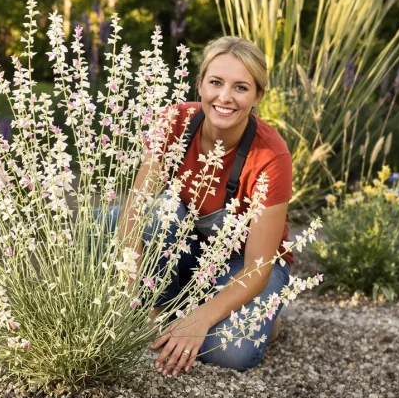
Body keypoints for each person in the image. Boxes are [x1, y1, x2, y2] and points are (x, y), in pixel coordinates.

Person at [112, 36, 294, 377]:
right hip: (183, 246)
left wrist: (202, 319)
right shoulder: (174, 122)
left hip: (242, 263)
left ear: (258, 96)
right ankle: (162, 309)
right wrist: (129, 295)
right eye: (216, 83)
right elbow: (135, 213)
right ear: (200, 84)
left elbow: (257, 267)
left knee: (232, 352)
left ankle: (255, 318)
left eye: (241, 87)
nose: (224, 97)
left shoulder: (271, 155)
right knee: (151, 213)